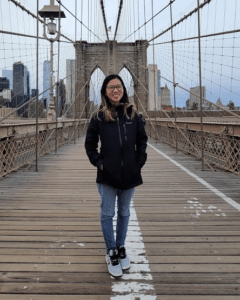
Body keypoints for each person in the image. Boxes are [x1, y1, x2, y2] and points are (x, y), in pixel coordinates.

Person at [85, 74, 148, 277]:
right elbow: (90, 145)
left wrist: (139, 162)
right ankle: (111, 251)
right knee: (107, 214)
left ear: (123, 89)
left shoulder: (133, 115)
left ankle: (120, 248)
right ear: (105, 91)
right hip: (108, 176)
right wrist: (100, 164)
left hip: (130, 174)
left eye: (118, 86)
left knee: (124, 213)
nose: (115, 90)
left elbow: (142, 140)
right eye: (111, 87)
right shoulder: (98, 117)